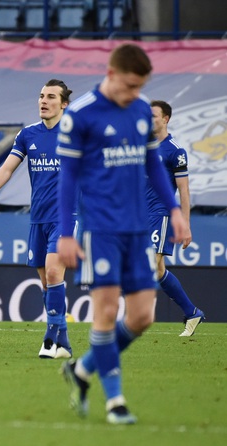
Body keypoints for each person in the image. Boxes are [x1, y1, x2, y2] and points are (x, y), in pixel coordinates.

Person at [56, 44, 188, 425]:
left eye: (140, 88)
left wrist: (175, 211)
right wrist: (67, 233)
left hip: (138, 228)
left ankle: (82, 370)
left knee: (143, 317)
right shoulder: (80, 115)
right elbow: (68, 177)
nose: (135, 95)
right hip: (101, 230)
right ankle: (115, 402)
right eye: (130, 87)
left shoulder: (139, 108)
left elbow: (153, 164)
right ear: (111, 74)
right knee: (106, 313)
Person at [0, 79, 73, 359]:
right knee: (46, 283)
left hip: (66, 217)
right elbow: (7, 168)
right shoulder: (28, 134)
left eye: (51, 96)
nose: (43, 100)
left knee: (54, 274)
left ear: (64, 103)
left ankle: (49, 341)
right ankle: (64, 342)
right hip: (38, 217)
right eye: (41, 95)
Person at [148, 100, 205, 336]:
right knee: (159, 270)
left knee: (149, 264)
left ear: (165, 119)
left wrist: (185, 224)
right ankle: (192, 312)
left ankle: (129, 318)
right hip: (138, 216)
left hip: (160, 215)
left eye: (153, 116)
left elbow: (184, 191)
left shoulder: (174, 151)